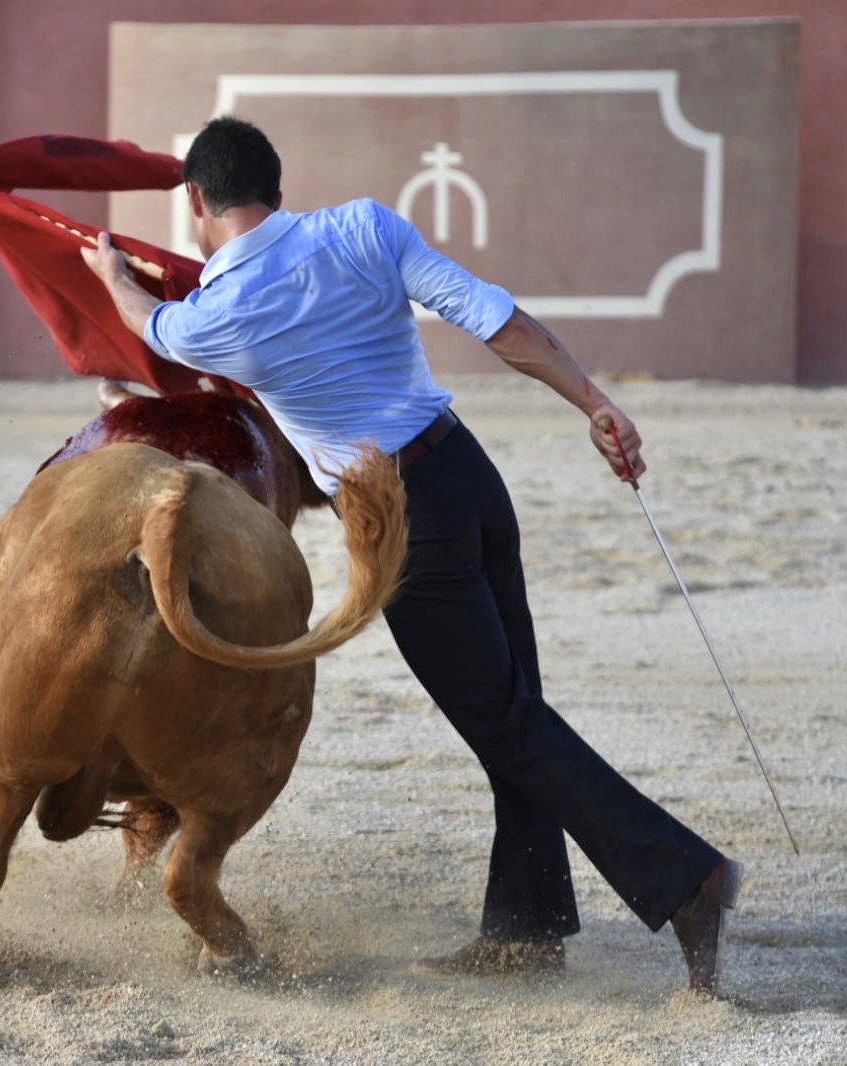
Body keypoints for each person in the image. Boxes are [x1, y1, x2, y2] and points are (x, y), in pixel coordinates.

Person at [82, 115, 742, 996]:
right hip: (468, 476)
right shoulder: (363, 225)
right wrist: (592, 402)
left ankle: (687, 879)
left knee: (507, 724)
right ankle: (526, 925)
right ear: (276, 187)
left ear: (195, 201)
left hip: (399, 521)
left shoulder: (221, 315)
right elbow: (491, 317)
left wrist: (110, 277)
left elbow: (153, 328)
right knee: (518, 711)